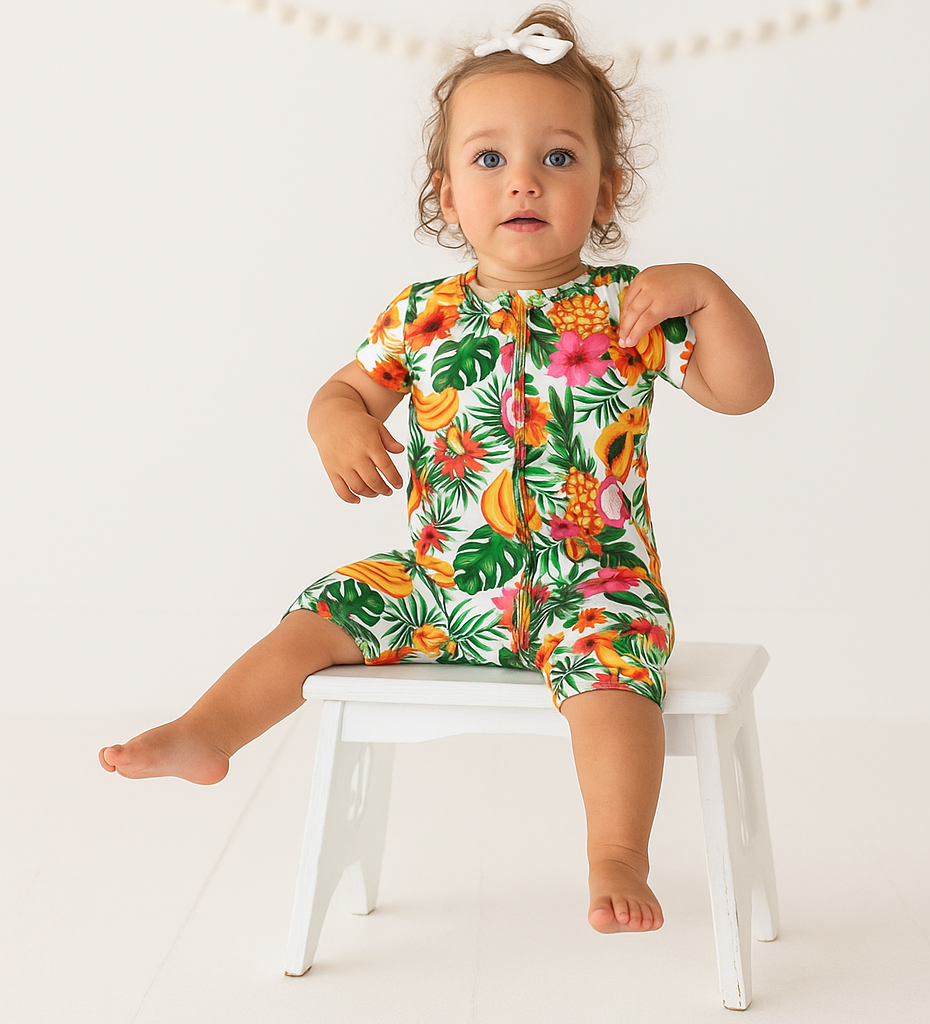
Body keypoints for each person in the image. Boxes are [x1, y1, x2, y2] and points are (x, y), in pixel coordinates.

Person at [99, 5, 773, 936]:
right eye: (490, 159)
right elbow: (344, 392)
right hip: (440, 582)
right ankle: (207, 733)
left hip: (593, 587)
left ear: (607, 190)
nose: (524, 180)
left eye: (560, 158)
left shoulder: (633, 306)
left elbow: (741, 392)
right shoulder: (421, 314)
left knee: (616, 685)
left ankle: (616, 851)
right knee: (319, 615)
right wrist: (335, 426)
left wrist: (709, 293)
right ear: (447, 194)